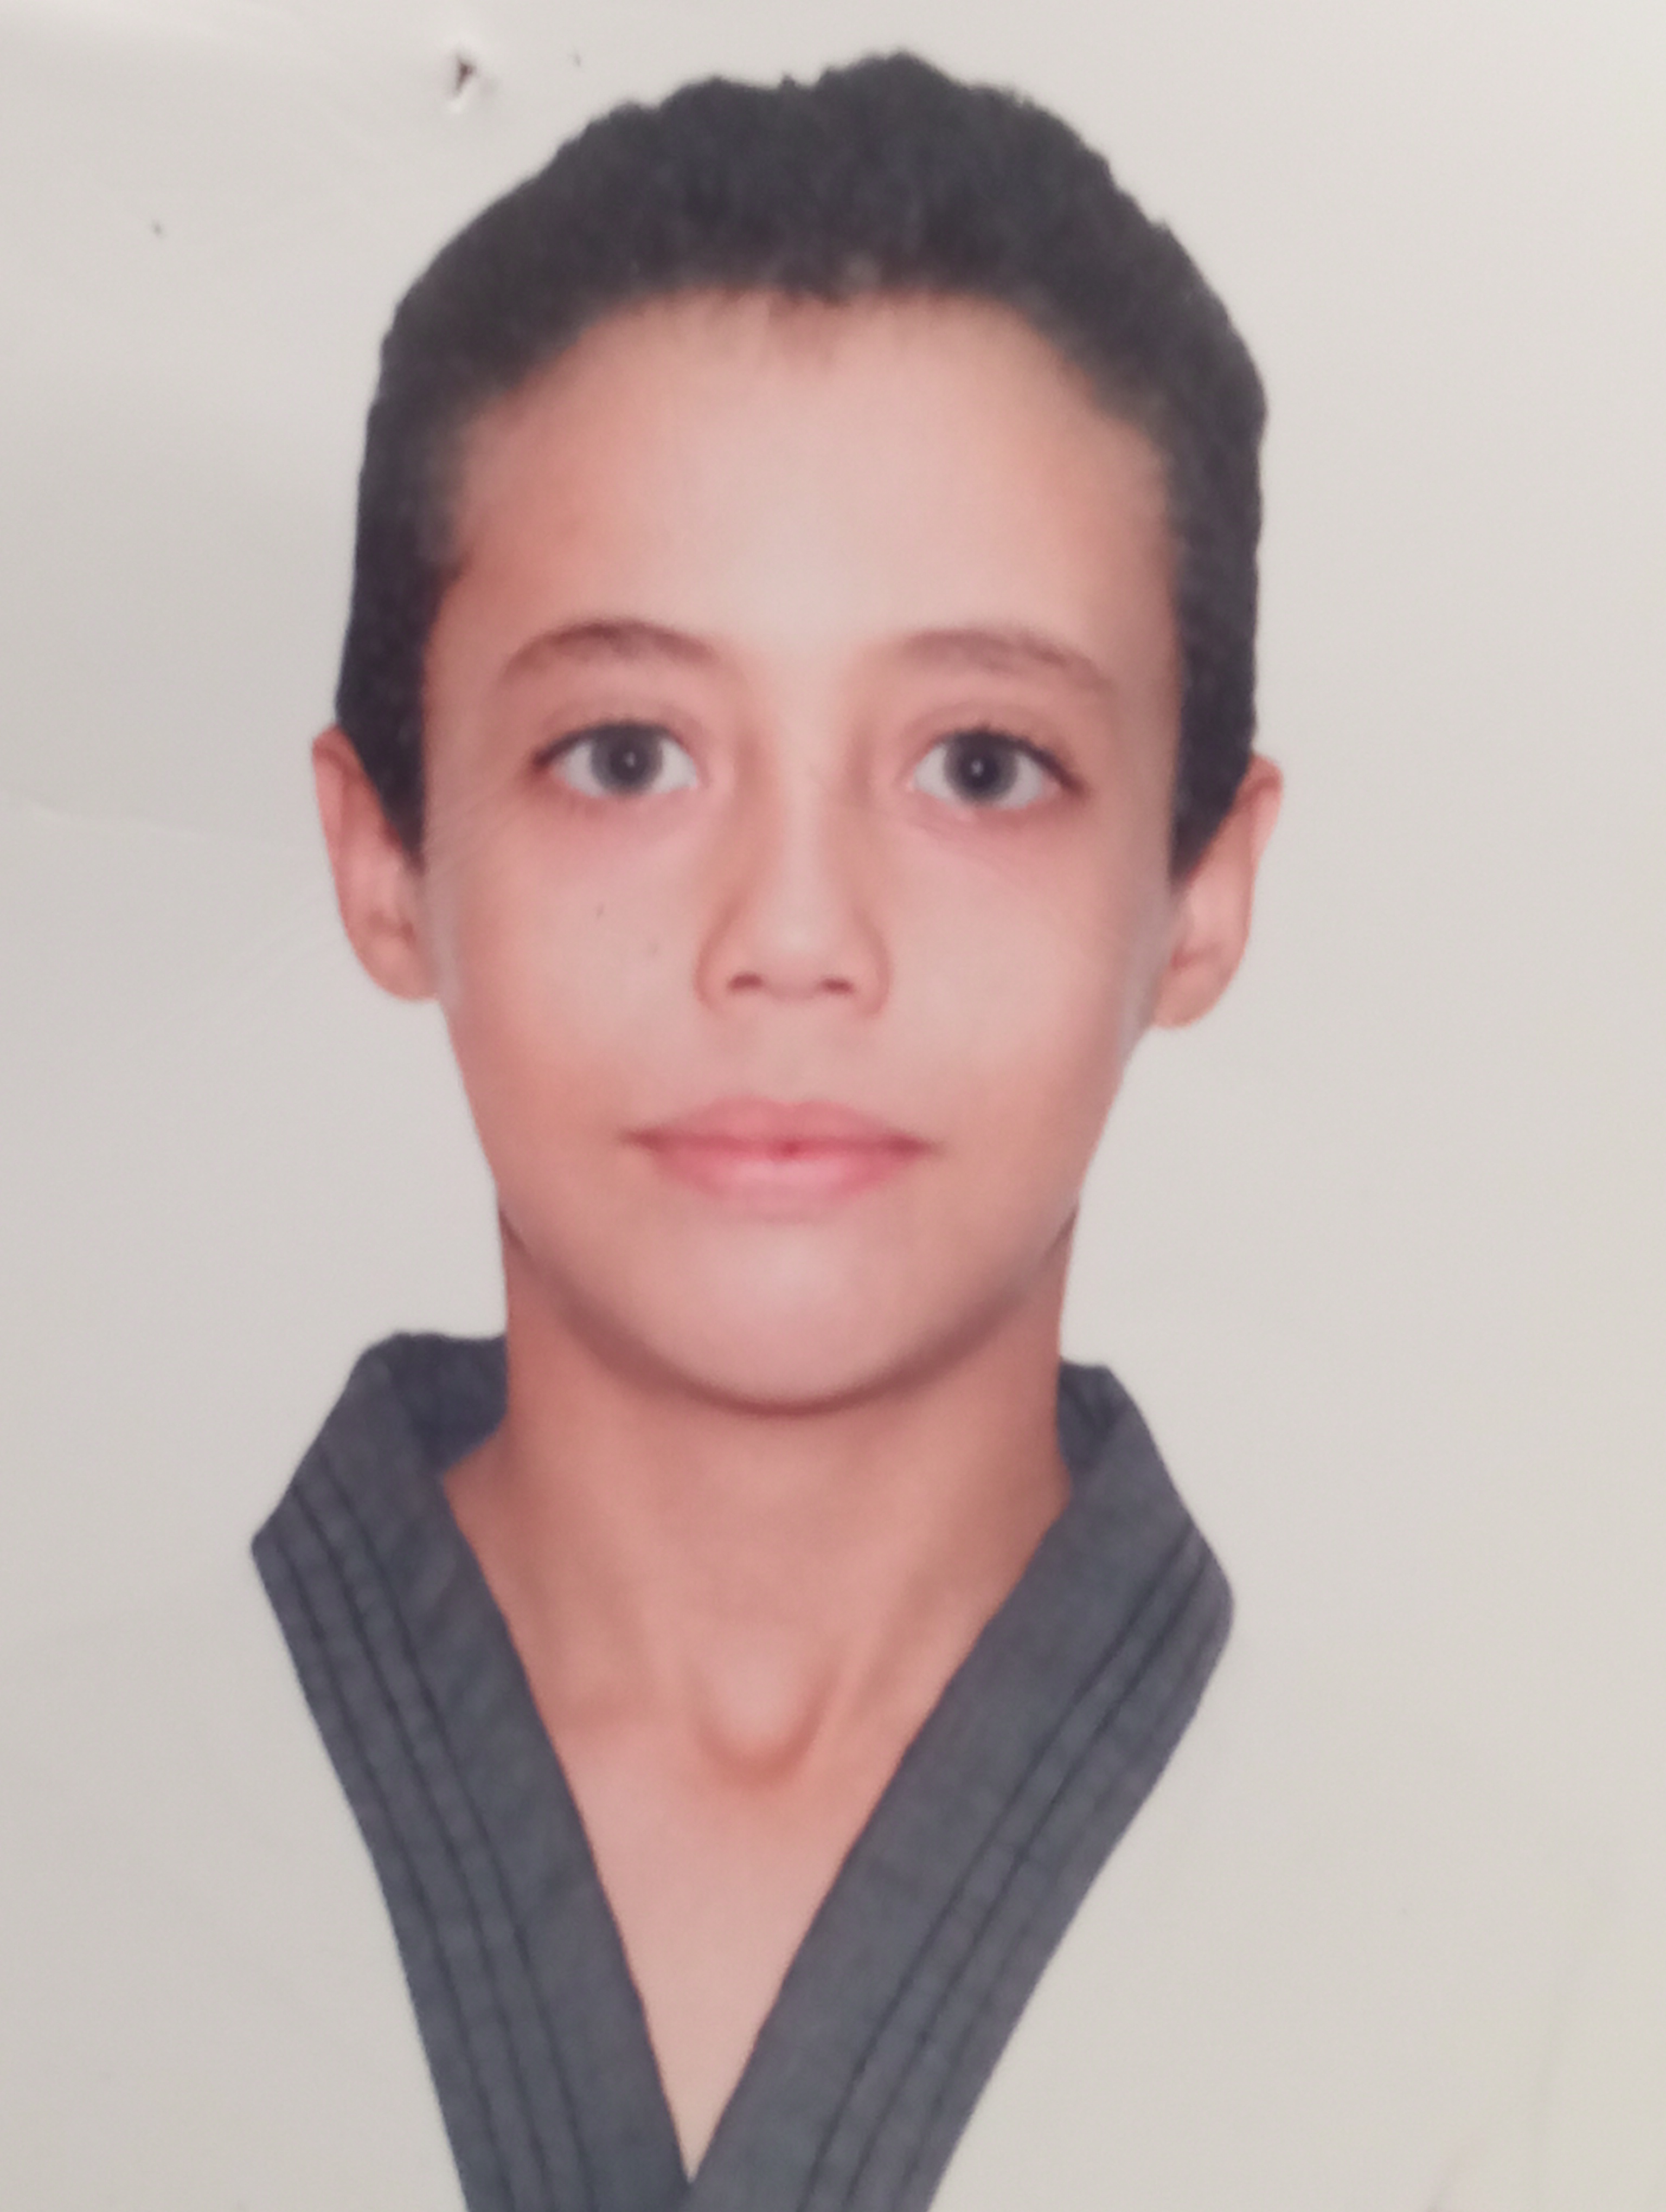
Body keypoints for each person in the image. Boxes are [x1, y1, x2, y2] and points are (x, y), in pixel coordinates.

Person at [2, 48, 1657, 2212]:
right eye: (625, 755)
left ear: (1201, 890)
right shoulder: (49, 1875)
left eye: (980, 766)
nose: (792, 938)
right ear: (383, 856)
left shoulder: (1536, 2015)